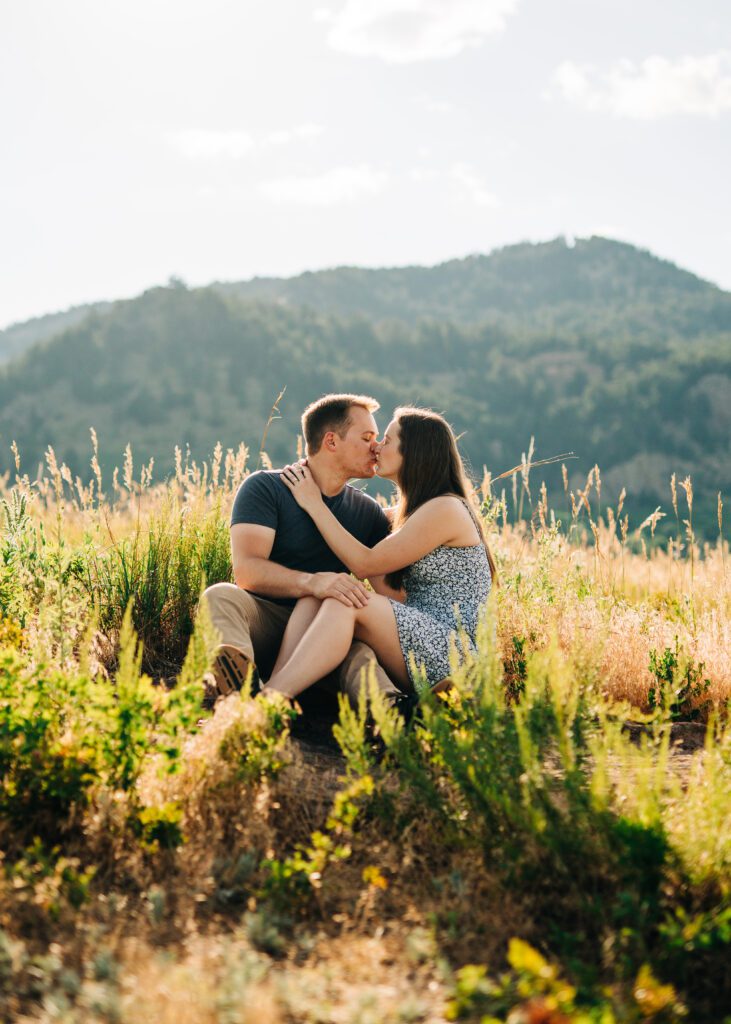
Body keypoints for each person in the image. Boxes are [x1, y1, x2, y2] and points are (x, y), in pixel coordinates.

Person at [261, 406, 496, 705]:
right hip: (420, 636)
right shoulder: (410, 514)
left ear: (415, 452)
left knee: (344, 599)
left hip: (453, 652)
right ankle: (276, 688)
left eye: (386, 440)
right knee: (318, 594)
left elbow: (363, 564)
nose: (377, 447)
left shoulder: (444, 509)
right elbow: (373, 557)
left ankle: (271, 698)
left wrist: (313, 503)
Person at [201, 393, 408, 709]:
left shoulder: (367, 513)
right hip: (264, 620)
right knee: (219, 596)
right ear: (331, 441)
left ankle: (392, 716)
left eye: (377, 439)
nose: (376, 447)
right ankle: (242, 695)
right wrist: (314, 583)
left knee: (359, 653)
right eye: (367, 438)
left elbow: (388, 596)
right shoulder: (266, 488)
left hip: (323, 634)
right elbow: (247, 572)